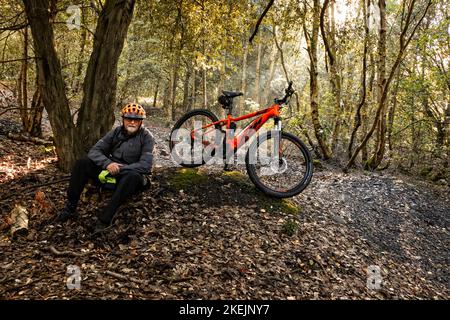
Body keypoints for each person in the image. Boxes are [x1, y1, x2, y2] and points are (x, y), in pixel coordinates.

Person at [56, 103, 155, 233]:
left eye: (136, 120)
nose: (132, 122)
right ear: (123, 119)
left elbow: (146, 165)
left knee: (133, 176)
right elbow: (94, 151)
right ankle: (70, 207)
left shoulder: (147, 137)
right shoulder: (116, 132)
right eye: (128, 119)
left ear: (141, 122)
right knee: (82, 163)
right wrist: (107, 164)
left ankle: (104, 220)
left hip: (131, 176)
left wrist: (121, 169)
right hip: (110, 171)